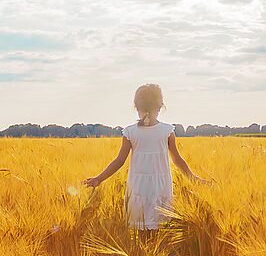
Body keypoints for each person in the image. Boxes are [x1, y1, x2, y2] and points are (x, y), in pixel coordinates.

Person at [83, 83, 205, 231]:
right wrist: (193, 177)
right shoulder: (167, 131)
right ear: (160, 106)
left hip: (138, 187)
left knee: (140, 232)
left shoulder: (130, 132)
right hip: (161, 186)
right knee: (160, 230)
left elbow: (119, 161)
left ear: (136, 107)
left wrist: (99, 178)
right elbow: (177, 159)